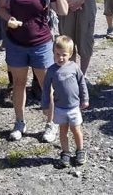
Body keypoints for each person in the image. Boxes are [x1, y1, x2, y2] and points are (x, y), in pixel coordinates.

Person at [0, 0, 68, 143]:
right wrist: (8, 18)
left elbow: (63, 10)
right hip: (16, 43)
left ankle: (50, 123)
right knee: (19, 84)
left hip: (41, 44)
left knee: (46, 86)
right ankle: (19, 122)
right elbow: (1, 7)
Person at [41, 35, 89, 169]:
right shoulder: (51, 70)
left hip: (74, 107)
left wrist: (85, 99)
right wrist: (45, 105)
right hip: (60, 108)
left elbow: (82, 83)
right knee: (63, 131)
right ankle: (66, 152)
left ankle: (80, 150)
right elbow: (45, 89)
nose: (60, 57)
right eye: (57, 54)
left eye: (64, 55)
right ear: (53, 53)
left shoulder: (74, 67)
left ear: (71, 54)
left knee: (76, 130)